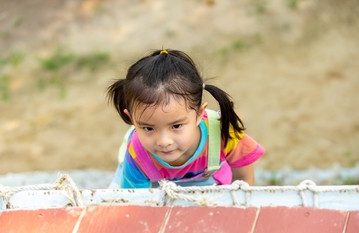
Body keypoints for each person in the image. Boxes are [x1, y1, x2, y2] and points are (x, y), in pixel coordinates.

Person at [107, 49, 264, 189]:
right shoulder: (137, 153)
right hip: (153, 190)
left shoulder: (222, 132)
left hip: (211, 183)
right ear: (132, 120)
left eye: (176, 126)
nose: (164, 141)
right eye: (148, 128)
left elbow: (244, 181)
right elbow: (135, 204)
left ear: (199, 114)